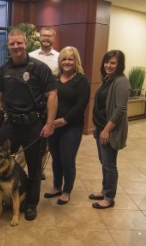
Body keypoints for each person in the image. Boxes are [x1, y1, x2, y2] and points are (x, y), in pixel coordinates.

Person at [0, 28, 58, 221]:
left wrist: (50, 123)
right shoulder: (3, 70)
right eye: (12, 44)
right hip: (10, 123)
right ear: (8, 46)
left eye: (19, 43)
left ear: (26, 43)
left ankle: (31, 204)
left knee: (34, 167)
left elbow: (52, 95)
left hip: (34, 124)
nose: (16, 46)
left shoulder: (39, 67)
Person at [44, 46, 90, 205]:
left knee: (67, 160)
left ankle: (66, 190)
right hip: (53, 126)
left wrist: (64, 120)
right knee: (56, 158)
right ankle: (57, 186)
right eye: (64, 59)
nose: (67, 62)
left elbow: (81, 104)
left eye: (70, 59)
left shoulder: (81, 79)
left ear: (76, 61)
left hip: (71, 126)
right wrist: (49, 121)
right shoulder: (54, 78)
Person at [89, 50, 130, 209]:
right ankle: (105, 190)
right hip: (101, 127)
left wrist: (106, 130)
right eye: (107, 62)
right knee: (104, 161)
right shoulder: (107, 79)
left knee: (109, 164)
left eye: (113, 63)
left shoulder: (121, 82)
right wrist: (97, 127)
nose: (108, 65)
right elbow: (101, 106)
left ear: (119, 65)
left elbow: (120, 110)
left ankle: (109, 197)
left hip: (110, 130)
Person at [29, 26, 60, 180]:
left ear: (53, 38)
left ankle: (39, 168)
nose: (46, 38)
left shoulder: (60, 57)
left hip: (49, 104)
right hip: (31, 104)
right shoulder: (30, 56)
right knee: (30, 137)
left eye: (49, 36)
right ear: (39, 37)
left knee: (44, 140)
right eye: (43, 35)